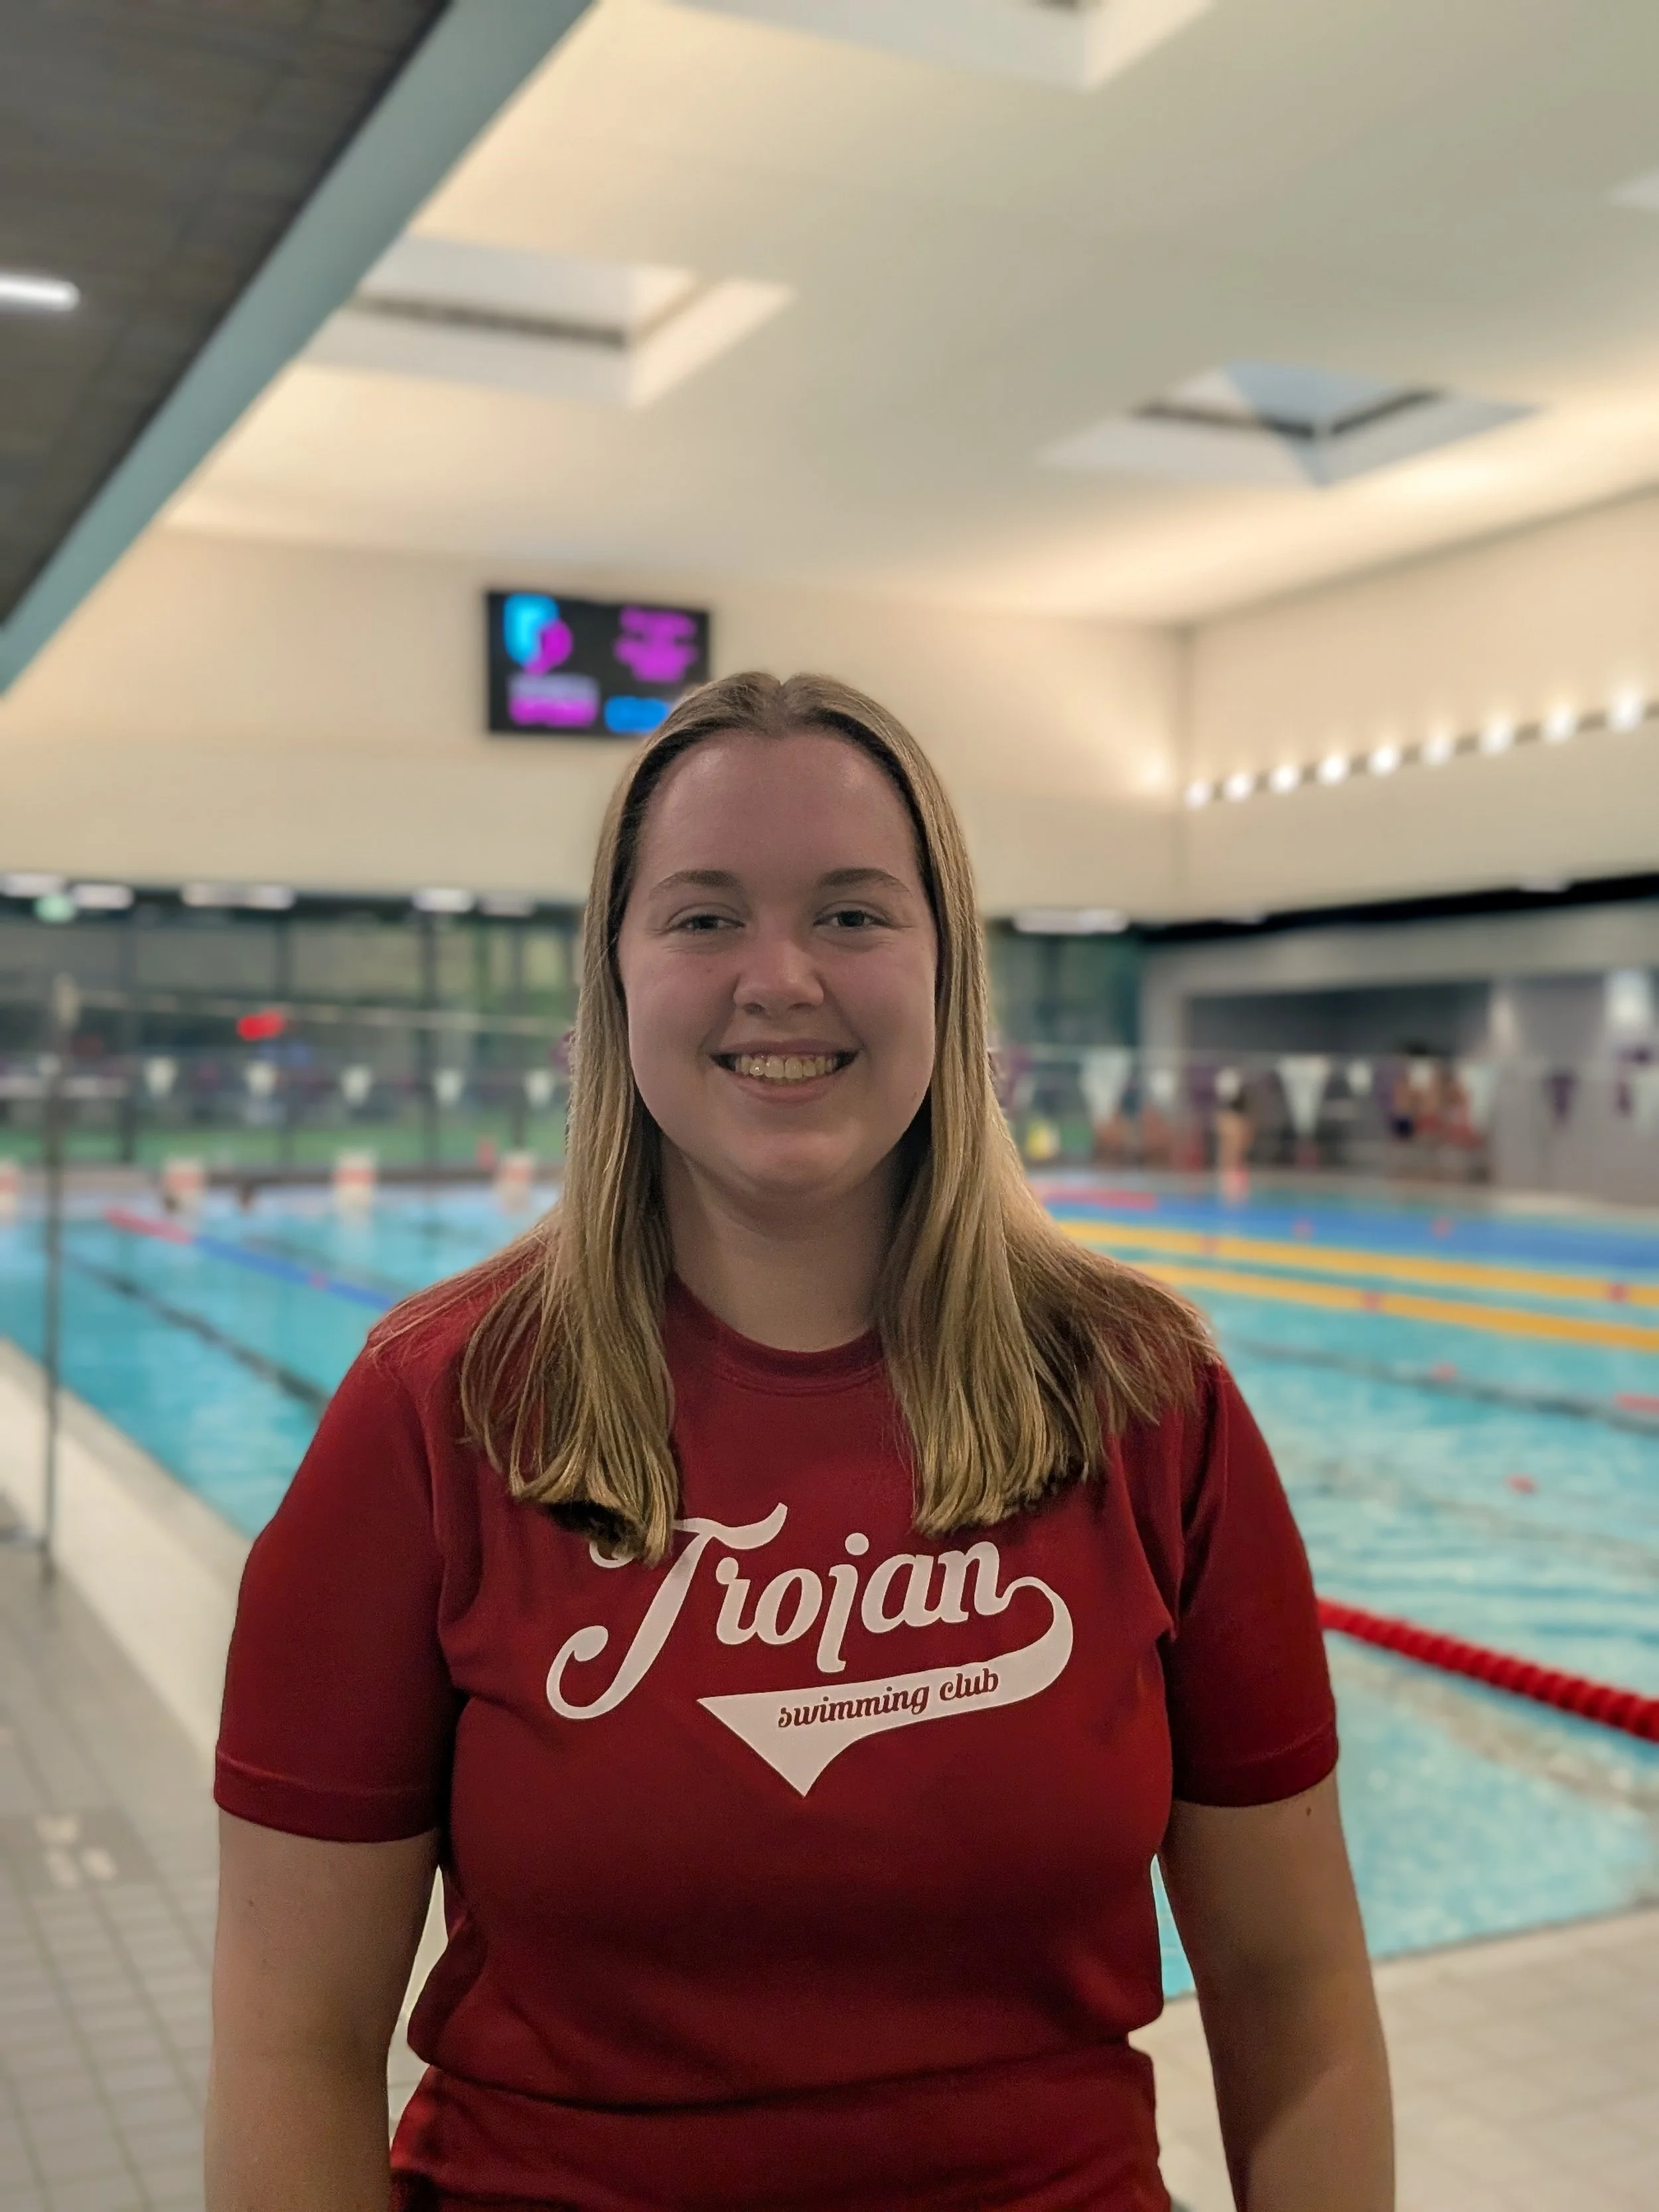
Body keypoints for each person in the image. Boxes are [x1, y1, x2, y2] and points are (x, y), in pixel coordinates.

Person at [207, 672, 1392, 2211]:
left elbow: (1295, 1999)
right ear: (616, 976)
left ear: (946, 970)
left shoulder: (1142, 1398)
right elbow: (288, 2047)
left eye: (850, 914)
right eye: (702, 918)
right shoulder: (438, 1413)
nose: (779, 976)